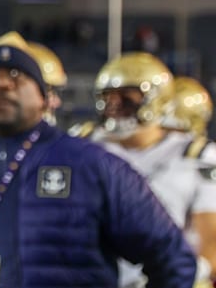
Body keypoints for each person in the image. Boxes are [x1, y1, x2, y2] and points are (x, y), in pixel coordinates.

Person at [0, 36, 197, 287]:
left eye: (15, 75)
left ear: (45, 97)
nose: (0, 84)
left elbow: (174, 259)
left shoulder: (91, 164)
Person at [89, 52, 216, 287]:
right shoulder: (84, 145)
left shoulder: (196, 155)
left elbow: (212, 242)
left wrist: (192, 276)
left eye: (126, 97)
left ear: (156, 98)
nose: (114, 105)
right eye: (108, 97)